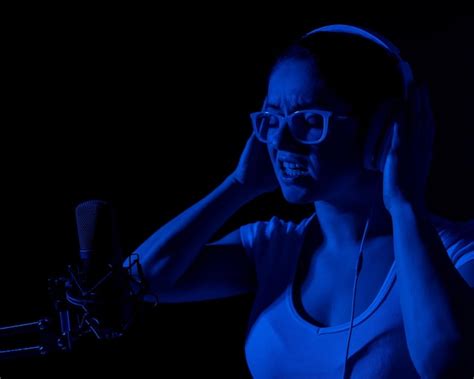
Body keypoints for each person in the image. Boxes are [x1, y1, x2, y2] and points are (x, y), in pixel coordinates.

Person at [126, 25, 474, 378]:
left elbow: (446, 362)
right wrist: (238, 185)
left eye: (309, 120)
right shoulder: (274, 247)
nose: (280, 140)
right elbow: (139, 283)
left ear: (381, 130)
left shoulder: (460, 254)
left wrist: (405, 205)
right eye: (271, 120)